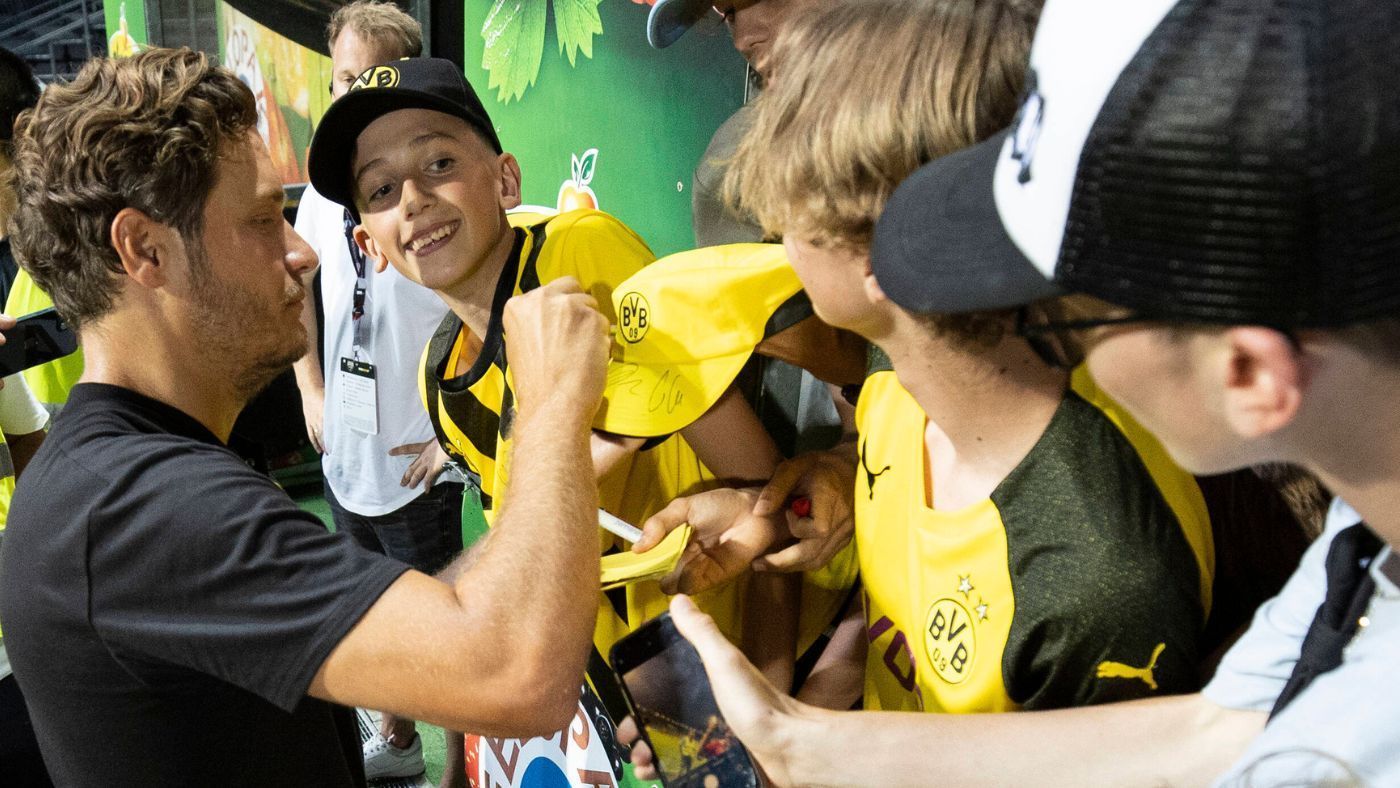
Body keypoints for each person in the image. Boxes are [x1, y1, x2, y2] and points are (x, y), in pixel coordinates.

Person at [666, 0, 1400, 783]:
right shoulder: (1361, 546)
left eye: (1062, 300)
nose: (1006, 323)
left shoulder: (1336, 757)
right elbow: (1221, 724)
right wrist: (794, 741)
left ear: (1248, 374)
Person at [0, 47, 610, 787]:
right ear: (145, 250)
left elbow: (446, 620)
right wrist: (550, 402)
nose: (302, 253)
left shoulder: (120, 477)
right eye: (263, 221)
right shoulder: (141, 508)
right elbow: (518, 674)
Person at [631, 0, 1215, 752]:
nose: (766, 233)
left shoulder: (1097, 581)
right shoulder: (905, 364)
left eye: (790, 212)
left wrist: (796, 749)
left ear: (880, 258)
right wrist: (788, 504)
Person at [307, 55, 803, 786]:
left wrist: (775, 695)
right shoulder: (442, 376)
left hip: (738, 650)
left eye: (439, 161)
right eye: (380, 189)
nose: (412, 198)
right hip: (638, 678)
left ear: (505, 179)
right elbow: (522, 557)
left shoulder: (582, 257)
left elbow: (765, 492)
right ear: (367, 246)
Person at [290, 2, 463, 780]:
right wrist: (310, 389)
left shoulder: (439, 199)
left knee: (444, 632)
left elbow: (486, 317)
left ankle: (464, 763)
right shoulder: (328, 196)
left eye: (368, 79)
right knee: (364, 612)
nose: (350, 96)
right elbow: (300, 285)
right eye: (341, 81)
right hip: (345, 447)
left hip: (416, 456)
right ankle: (396, 743)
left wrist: (451, 437)